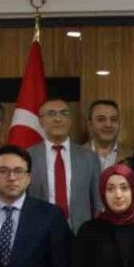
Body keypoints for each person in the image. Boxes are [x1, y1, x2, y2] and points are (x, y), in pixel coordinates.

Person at [28, 98, 102, 233]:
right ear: (41, 121)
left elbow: (97, 201)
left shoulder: (89, 157)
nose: (58, 119)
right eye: (51, 113)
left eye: (64, 113)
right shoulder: (27, 157)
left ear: (70, 120)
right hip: (40, 232)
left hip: (81, 232)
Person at [84, 99, 126, 170]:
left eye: (113, 119)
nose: (108, 125)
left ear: (119, 124)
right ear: (90, 124)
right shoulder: (76, 155)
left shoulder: (131, 157)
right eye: (101, 119)